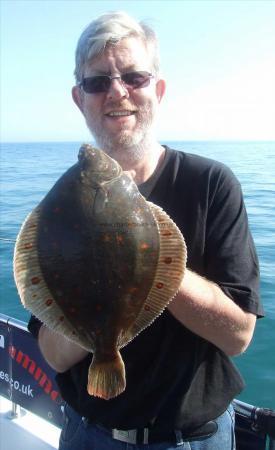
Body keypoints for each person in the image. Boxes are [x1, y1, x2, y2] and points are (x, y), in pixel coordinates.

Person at [28, 11, 264, 450]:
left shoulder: (211, 184)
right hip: (88, 433)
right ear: (80, 99)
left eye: (133, 77)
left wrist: (152, 262)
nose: (118, 91)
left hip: (194, 439)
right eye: (98, 82)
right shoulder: (60, 205)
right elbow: (53, 355)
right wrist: (102, 337)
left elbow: (238, 338)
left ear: (158, 89)